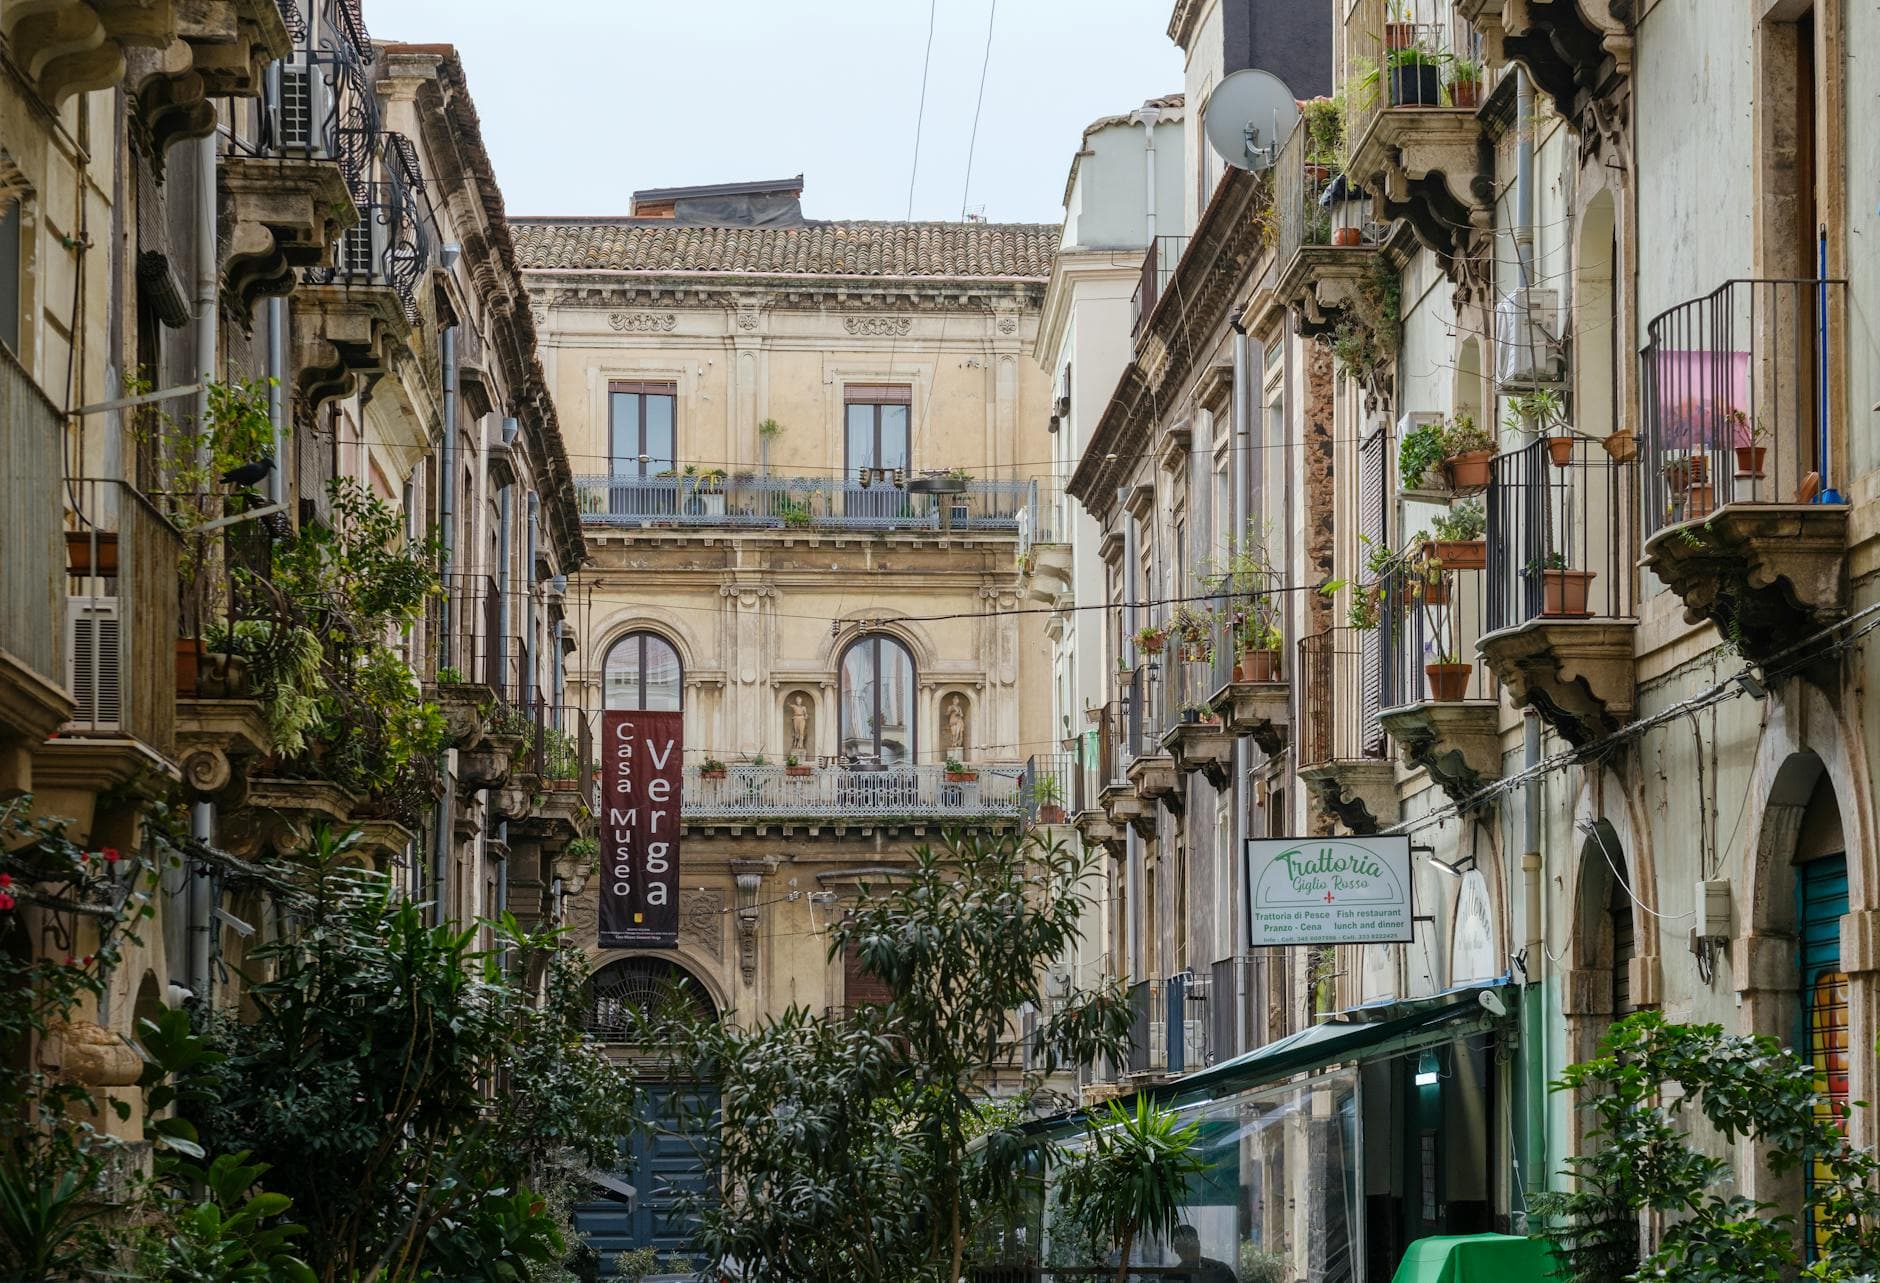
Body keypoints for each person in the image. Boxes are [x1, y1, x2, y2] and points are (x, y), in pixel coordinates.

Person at [1170, 1225, 1235, 1283]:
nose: (1188, 1248)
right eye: (1184, 1245)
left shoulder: (1221, 1270)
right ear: (1176, 1249)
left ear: (1198, 1244)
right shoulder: (1172, 1276)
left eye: (1191, 1243)